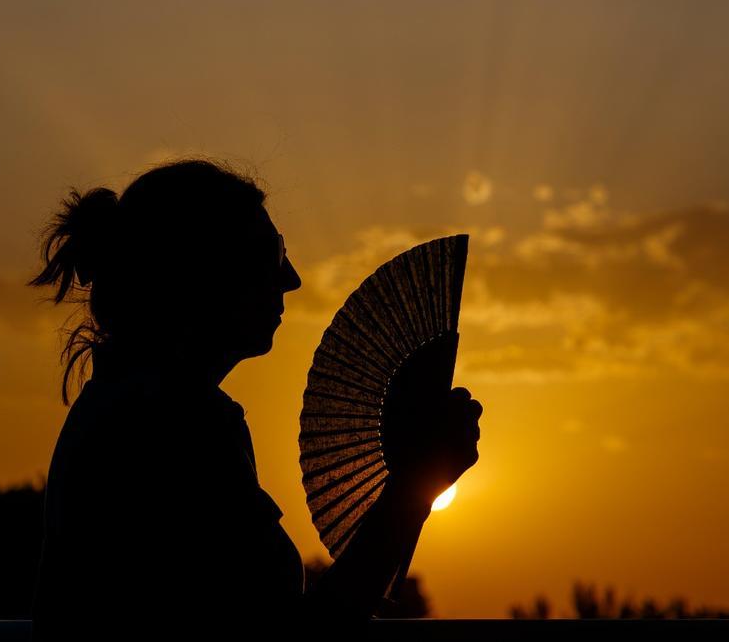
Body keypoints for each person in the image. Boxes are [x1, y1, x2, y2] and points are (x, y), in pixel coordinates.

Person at [26, 158, 481, 639]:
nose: (291, 278)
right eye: (271, 253)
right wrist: (414, 488)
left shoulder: (130, 408)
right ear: (200, 273)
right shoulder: (168, 429)